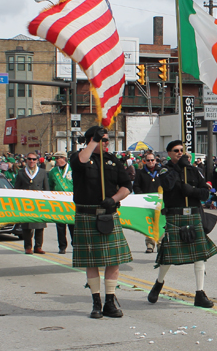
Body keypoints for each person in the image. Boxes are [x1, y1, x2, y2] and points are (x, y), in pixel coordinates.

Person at [147, 140, 217, 308]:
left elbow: (205, 194)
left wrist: (192, 191)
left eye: (181, 150)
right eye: (176, 150)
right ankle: (159, 283)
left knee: (199, 256)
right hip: (175, 216)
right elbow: (167, 185)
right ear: (169, 153)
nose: (180, 152)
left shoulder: (195, 170)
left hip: (193, 215)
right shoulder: (165, 170)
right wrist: (180, 167)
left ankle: (200, 293)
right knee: (169, 256)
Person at [71, 126, 133, 319]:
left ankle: (109, 302)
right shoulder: (79, 157)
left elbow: (127, 186)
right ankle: (96, 302)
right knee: (92, 261)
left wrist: (113, 199)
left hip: (108, 213)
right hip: (87, 215)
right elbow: (81, 162)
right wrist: (93, 142)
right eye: (102, 140)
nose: (106, 143)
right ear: (91, 140)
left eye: (107, 140)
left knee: (113, 261)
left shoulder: (113, 161)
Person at [14, 152, 50, 254]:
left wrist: (47, 201)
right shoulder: (21, 172)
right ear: (26, 160)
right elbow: (17, 188)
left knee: (39, 226)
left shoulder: (42, 172)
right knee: (26, 226)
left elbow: (46, 187)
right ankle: (28, 247)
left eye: (34, 159)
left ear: (37, 161)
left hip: (39, 203)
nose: (31, 161)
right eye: (29, 159)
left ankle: (38, 246)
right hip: (26, 203)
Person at [133, 152, 161, 253]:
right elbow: (136, 186)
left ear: (155, 160)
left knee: (160, 223)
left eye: (152, 160)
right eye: (148, 160)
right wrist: (141, 196)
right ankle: (150, 244)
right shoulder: (141, 172)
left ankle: (160, 243)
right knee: (149, 224)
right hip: (146, 201)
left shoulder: (161, 171)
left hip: (159, 201)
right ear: (145, 161)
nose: (150, 162)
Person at [48, 151, 74, 254]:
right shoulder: (53, 172)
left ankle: (75, 245)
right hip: (58, 202)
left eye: (57, 158)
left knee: (72, 225)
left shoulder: (73, 169)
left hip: (71, 202)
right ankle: (62, 246)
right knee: (60, 226)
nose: (56, 161)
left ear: (63, 158)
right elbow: (50, 186)